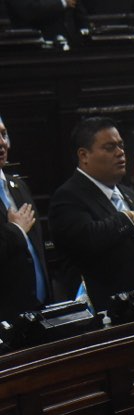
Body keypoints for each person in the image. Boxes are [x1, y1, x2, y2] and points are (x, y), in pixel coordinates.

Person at [49, 117, 134, 312]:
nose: (120, 153)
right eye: (110, 148)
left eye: (121, 146)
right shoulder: (68, 197)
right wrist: (126, 219)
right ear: (84, 155)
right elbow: (88, 239)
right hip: (108, 314)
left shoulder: (129, 193)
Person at [0, 115, 50, 322]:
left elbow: (37, 249)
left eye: (3, 134)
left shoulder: (18, 186)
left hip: (40, 310)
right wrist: (16, 231)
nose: (2, 143)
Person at [5, 0, 88, 44]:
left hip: (70, 43)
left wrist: (84, 30)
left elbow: (78, 10)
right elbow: (30, 10)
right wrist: (62, 3)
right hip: (34, 46)